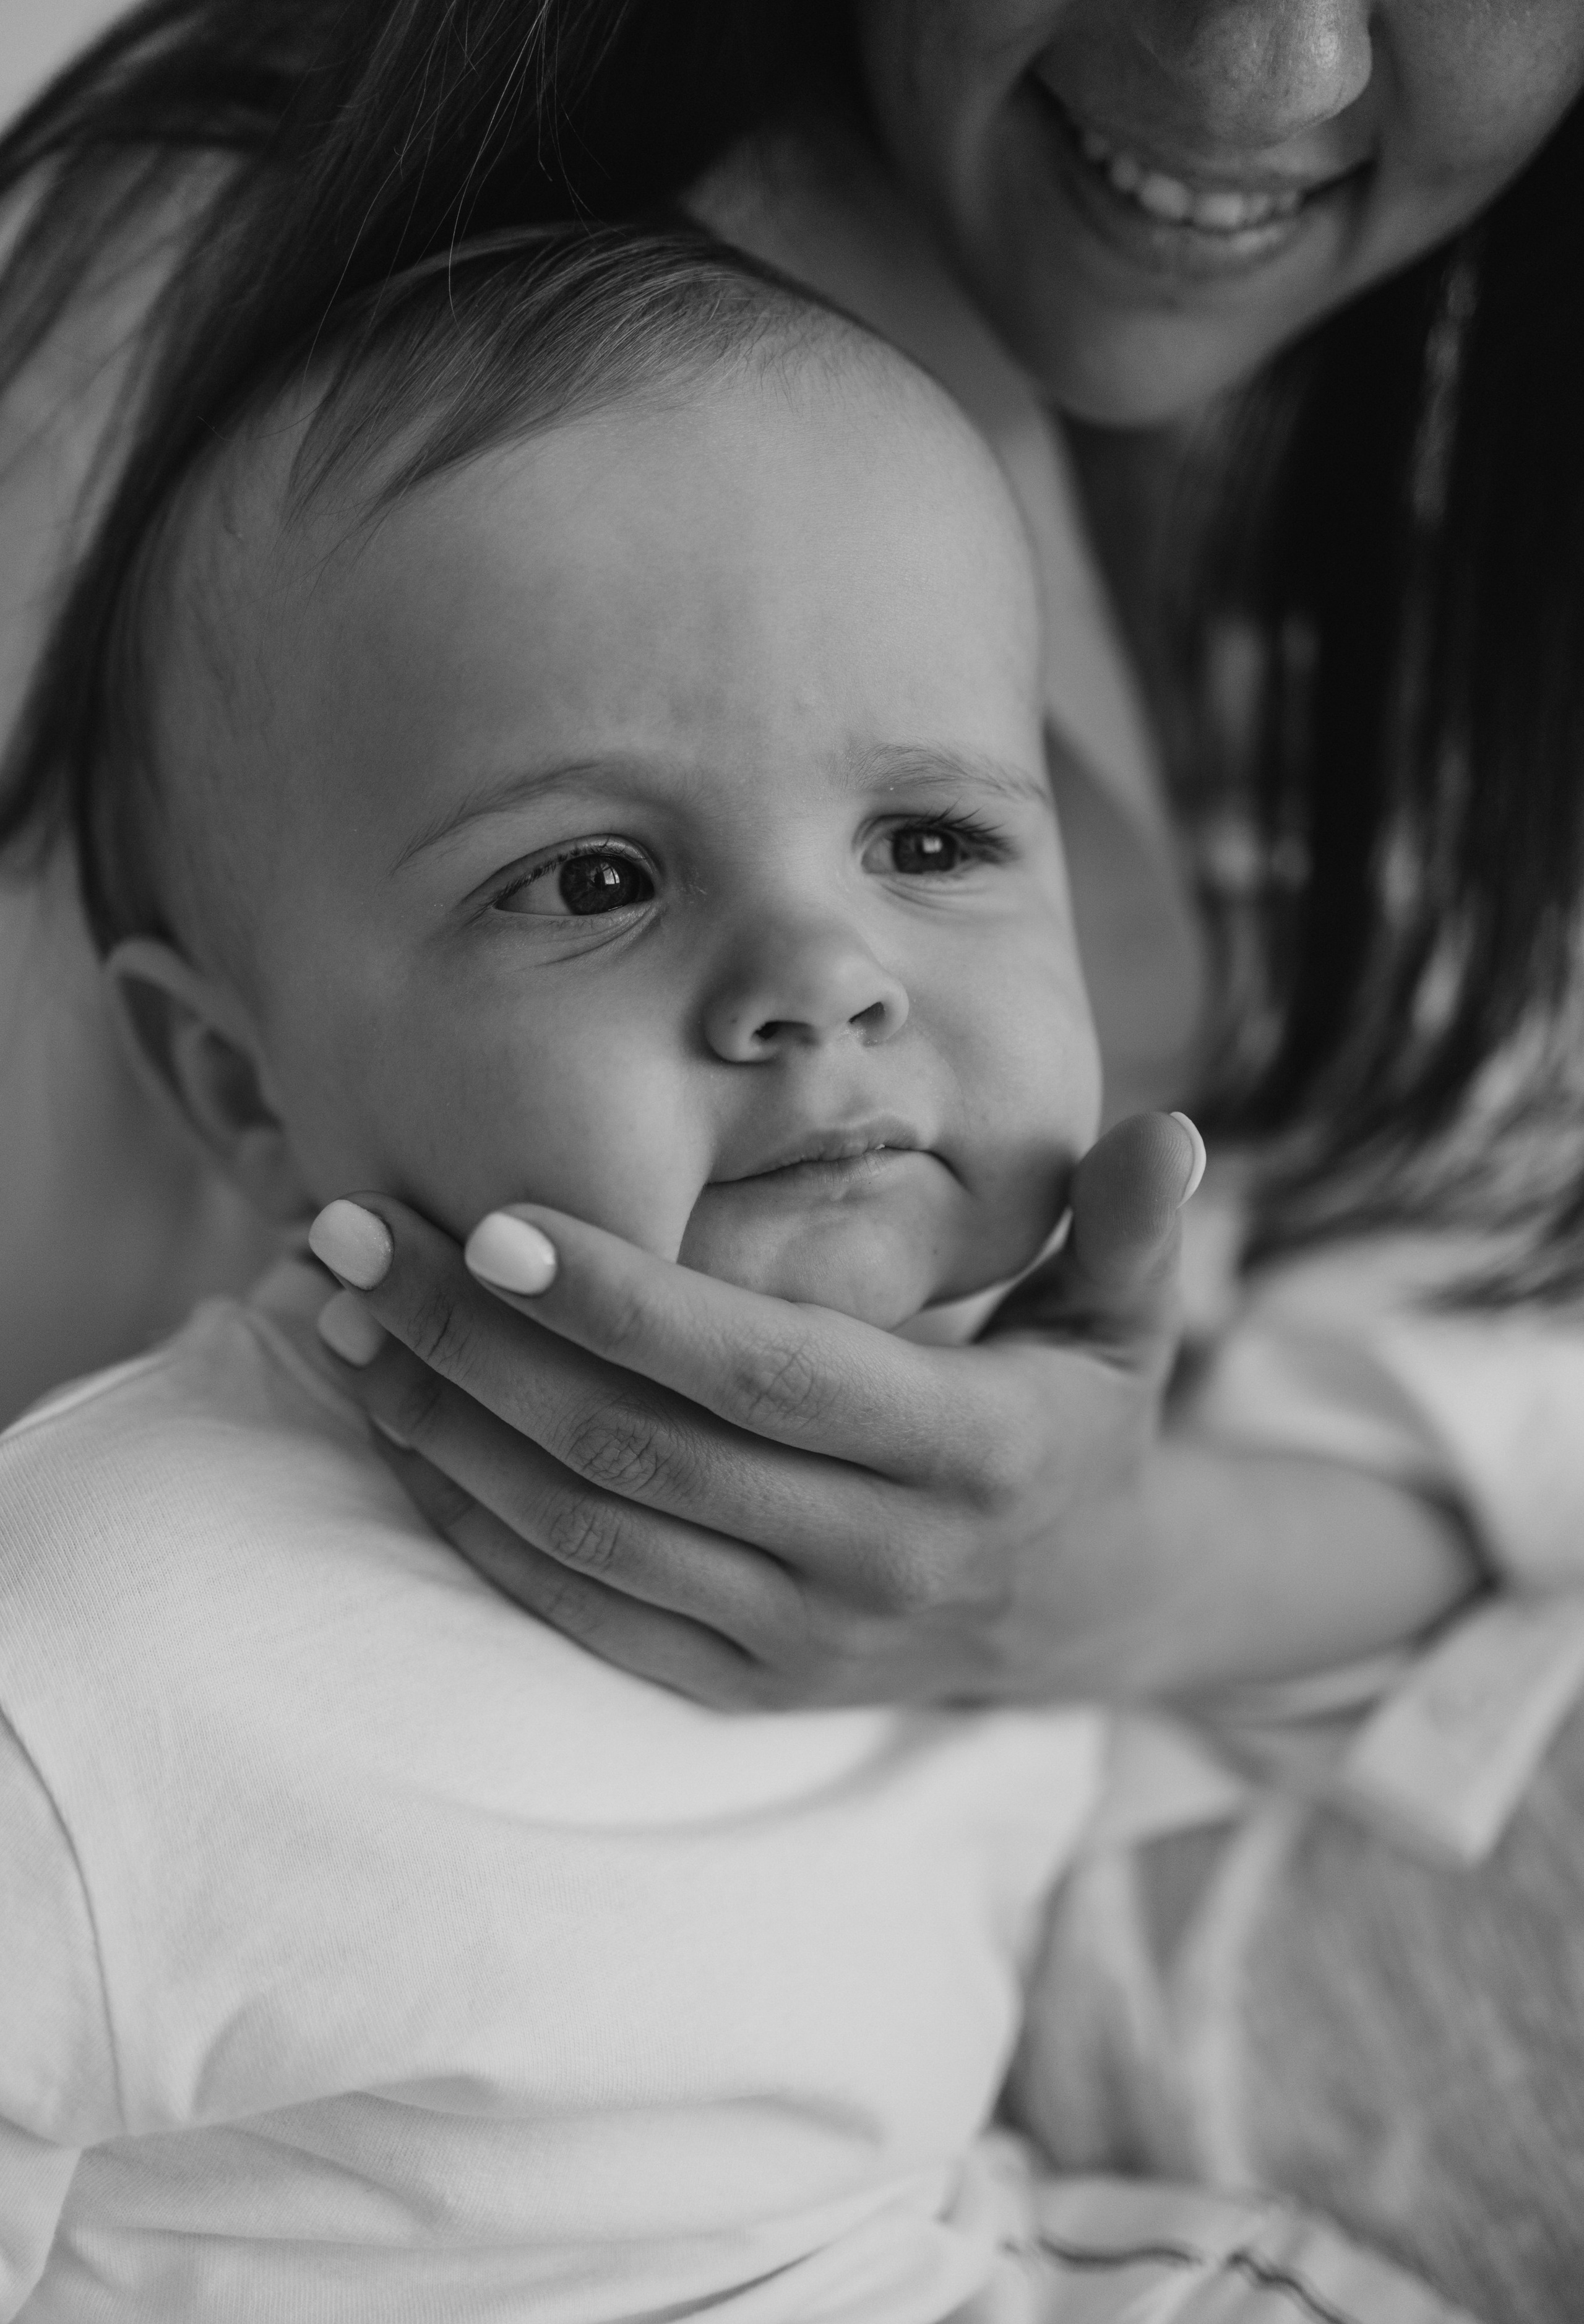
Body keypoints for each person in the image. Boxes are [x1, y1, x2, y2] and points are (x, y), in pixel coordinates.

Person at [1, 1, 1582, 2309]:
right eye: (596, 880)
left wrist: (1114, 1566)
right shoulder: (118, 1658)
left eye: (936, 834)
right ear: (240, 1090)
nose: (822, 981)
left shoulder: (994, 1578)